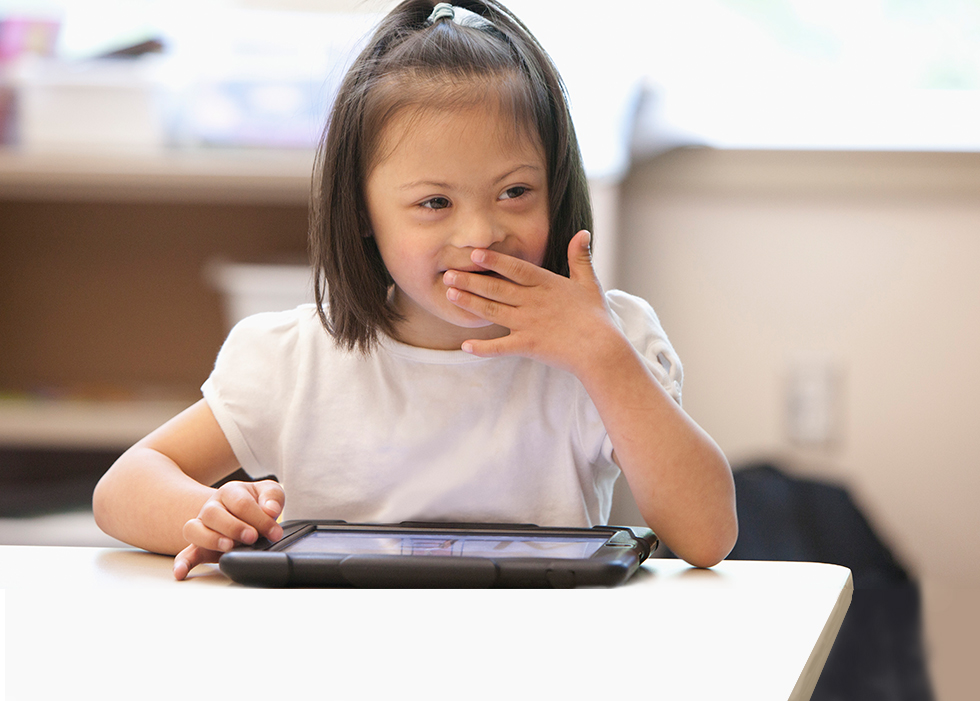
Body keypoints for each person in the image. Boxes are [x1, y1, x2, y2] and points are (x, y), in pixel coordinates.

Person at [93, 0, 737, 580]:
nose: (482, 234)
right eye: (435, 202)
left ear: (558, 185)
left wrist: (602, 355)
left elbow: (707, 538)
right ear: (364, 217)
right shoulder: (293, 359)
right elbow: (122, 488)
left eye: (516, 191)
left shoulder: (609, 340)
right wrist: (209, 512)